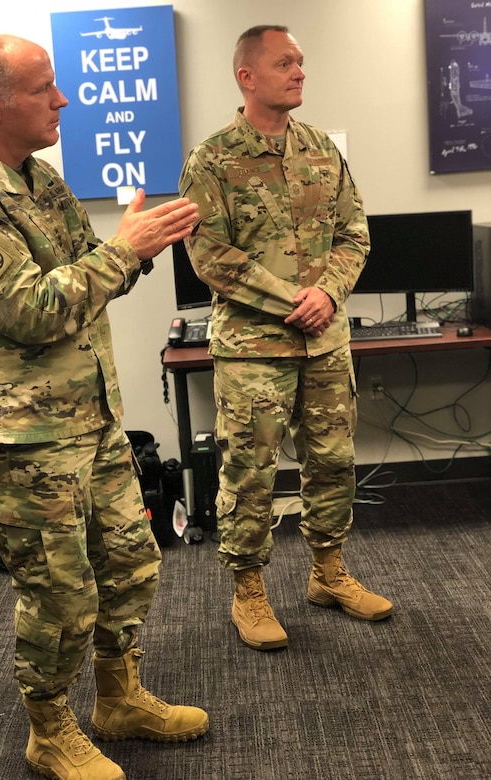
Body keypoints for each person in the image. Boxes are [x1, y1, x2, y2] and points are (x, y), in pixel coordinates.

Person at [0, 34, 208, 780]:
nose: (62, 100)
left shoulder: (39, 181)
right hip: (25, 440)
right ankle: (50, 732)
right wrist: (123, 249)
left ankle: (118, 700)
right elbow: (32, 311)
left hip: (92, 419)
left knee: (131, 565)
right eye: (45, 88)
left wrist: (137, 248)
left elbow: (86, 279)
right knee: (59, 595)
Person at [179, 25, 393, 652]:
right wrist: (288, 299)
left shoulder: (322, 148)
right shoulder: (212, 159)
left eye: (301, 62)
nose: (300, 72)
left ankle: (328, 574)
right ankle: (248, 590)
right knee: (248, 472)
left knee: (333, 463)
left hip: (324, 342)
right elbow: (209, 254)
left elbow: (355, 231)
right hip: (253, 349)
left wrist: (326, 294)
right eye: (285, 63)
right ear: (247, 76)